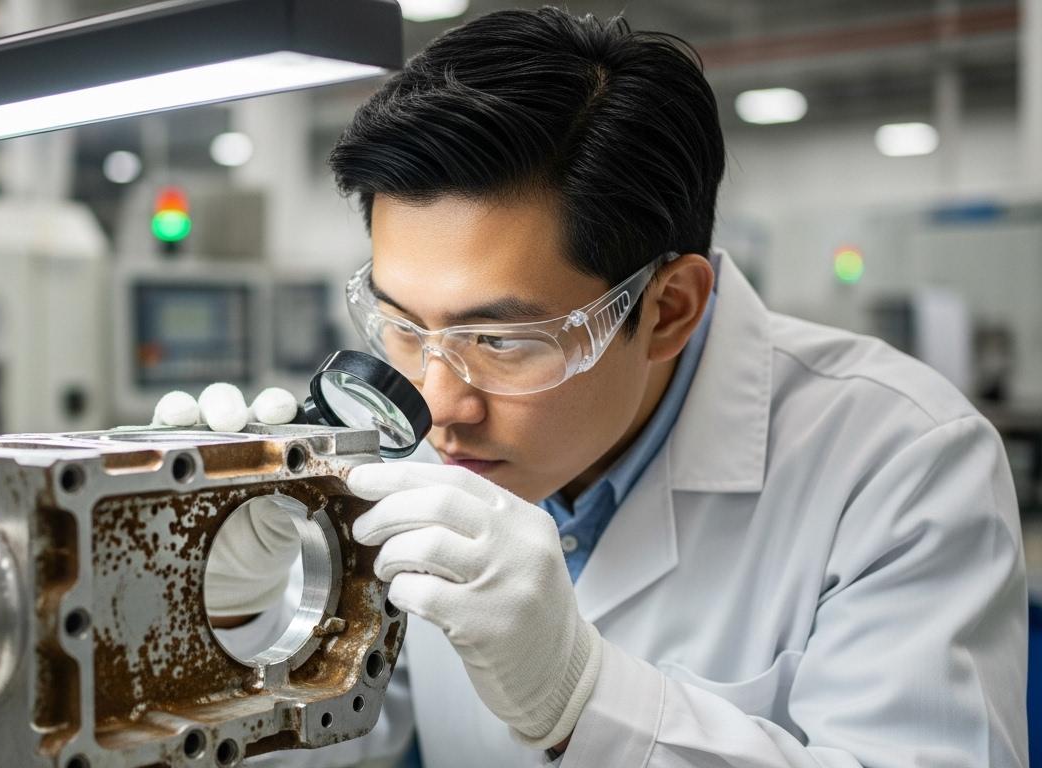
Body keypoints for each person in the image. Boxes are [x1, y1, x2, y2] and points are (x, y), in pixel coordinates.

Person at [160, 9, 1028, 766]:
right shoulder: (421, 432)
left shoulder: (904, 462)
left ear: (670, 307)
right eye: (403, 324)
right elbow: (347, 739)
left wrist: (583, 702)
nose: (438, 405)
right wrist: (238, 627)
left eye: (500, 340)